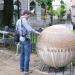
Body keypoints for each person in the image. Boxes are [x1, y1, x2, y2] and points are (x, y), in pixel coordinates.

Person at [16, 10, 40, 74]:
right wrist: (37, 32)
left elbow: (17, 30)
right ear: (26, 14)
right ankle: (26, 70)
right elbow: (29, 29)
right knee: (27, 55)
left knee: (22, 54)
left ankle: (22, 69)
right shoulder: (24, 20)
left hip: (21, 39)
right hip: (26, 39)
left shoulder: (18, 21)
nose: (29, 16)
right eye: (29, 15)